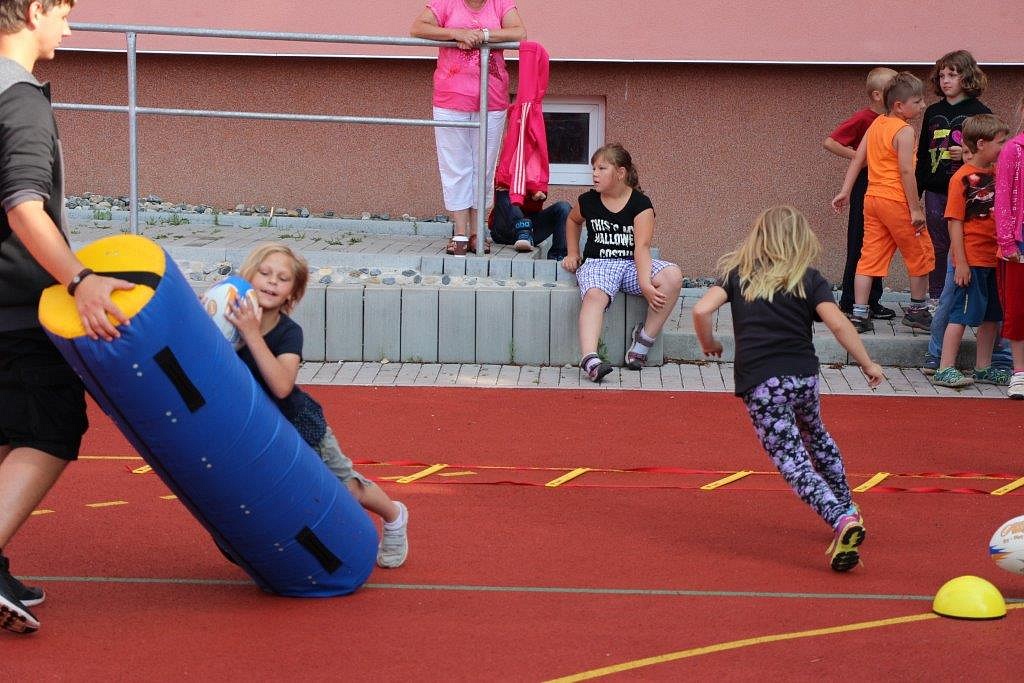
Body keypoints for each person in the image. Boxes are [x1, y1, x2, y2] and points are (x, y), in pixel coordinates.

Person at [0, 0, 136, 634]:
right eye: (64, 13)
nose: (70, 27)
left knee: (8, 430)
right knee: (51, 426)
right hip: (15, 302)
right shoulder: (19, 97)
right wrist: (78, 279)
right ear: (34, 11)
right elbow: (24, 205)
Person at [692, 206, 884, 572]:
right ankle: (845, 503)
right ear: (800, 240)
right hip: (803, 377)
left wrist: (709, 343)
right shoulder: (808, 278)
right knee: (817, 437)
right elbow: (839, 324)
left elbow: (701, 310)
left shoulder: (738, 274)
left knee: (793, 461)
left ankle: (840, 517)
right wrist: (867, 363)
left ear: (758, 237)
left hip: (763, 384)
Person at [223, 243, 409, 568]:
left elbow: (282, 386)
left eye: (282, 279)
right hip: (258, 431)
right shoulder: (230, 322)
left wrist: (252, 334)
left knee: (346, 489)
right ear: (248, 276)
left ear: (291, 294)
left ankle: (394, 516)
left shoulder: (288, 332)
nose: (271, 281)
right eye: (264, 273)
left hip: (300, 425)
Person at [410, 0, 526, 257]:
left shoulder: (500, 3)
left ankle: (478, 233)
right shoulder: (446, 3)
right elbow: (418, 28)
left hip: (492, 99)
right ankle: (460, 234)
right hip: (451, 99)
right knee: (456, 166)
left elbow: (519, 32)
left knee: (483, 167)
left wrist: (483, 35)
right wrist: (456, 33)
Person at [561, 143, 683, 380]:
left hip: (630, 264)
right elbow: (573, 220)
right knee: (595, 295)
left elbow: (642, 247)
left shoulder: (641, 204)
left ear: (620, 173)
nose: (595, 174)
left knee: (673, 276)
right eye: (593, 169)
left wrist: (645, 283)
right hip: (598, 263)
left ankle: (643, 340)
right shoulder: (588, 200)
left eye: (602, 168)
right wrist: (573, 252)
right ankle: (590, 360)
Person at [832, 72, 934, 334]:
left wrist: (845, 191)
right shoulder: (905, 131)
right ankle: (917, 311)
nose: (923, 105)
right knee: (920, 253)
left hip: (872, 199)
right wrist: (915, 208)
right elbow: (906, 171)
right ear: (899, 106)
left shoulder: (877, 123)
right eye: (917, 101)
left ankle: (859, 314)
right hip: (896, 200)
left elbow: (858, 159)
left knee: (869, 257)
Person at [929, 115, 1011, 388]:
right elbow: (954, 222)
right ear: (982, 143)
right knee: (960, 315)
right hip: (972, 259)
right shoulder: (961, 179)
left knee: (992, 317)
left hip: (995, 259)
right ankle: (945, 367)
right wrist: (961, 262)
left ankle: (983, 367)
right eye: (1000, 142)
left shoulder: (998, 173)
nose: (1004, 147)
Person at [823, 66, 898, 320]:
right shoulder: (864, 118)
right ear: (877, 95)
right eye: (893, 87)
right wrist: (860, 158)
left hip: (884, 186)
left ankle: (871, 299)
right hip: (865, 185)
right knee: (860, 242)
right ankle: (850, 300)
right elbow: (831, 142)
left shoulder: (892, 120)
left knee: (877, 243)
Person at [916, 50, 991, 300]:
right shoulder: (932, 112)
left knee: (967, 241)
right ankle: (938, 296)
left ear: (967, 77)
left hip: (969, 189)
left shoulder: (980, 111)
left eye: (952, 75)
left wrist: (967, 154)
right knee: (938, 244)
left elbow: (989, 153)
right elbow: (923, 153)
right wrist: (916, 192)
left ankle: (966, 295)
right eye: (942, 76)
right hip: (936, 190)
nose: (946, 81)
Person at [995, 96, 1024, 399]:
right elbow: (1002, 197)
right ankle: (1019, 371)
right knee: (1018, 307)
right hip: (1020, 239)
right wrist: (1006, 241)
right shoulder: (1013, 149)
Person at [488, 187, 568, 259]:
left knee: (563, 208)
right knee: (505, 191)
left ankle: (558, 257)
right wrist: (531, 191)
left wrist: (534, 192)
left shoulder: (538, 177)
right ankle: (523, 233)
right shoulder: (506, 175)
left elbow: (538, 200)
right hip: (505, 230)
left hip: (530, 231)